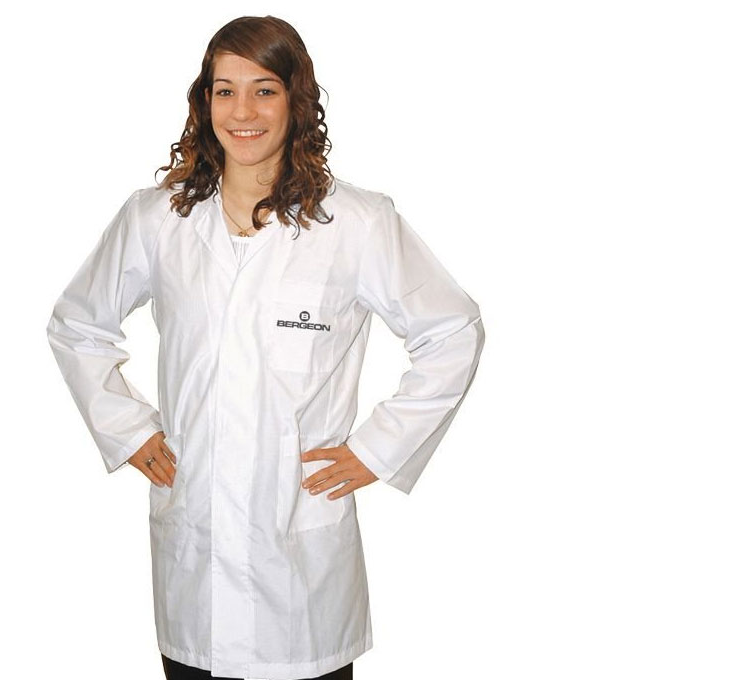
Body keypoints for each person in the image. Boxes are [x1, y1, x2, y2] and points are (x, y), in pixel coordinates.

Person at [46, 15, 485, 680]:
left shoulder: (355, 223)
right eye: (225, 91)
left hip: (299, 570)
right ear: (205, 102)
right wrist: (126, 429)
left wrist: (377, 450)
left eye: (264, 90)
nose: (243, 112)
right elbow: (77, 324)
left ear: (296, 100)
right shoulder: (157, 219)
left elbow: (452, 330)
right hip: (195, 557)